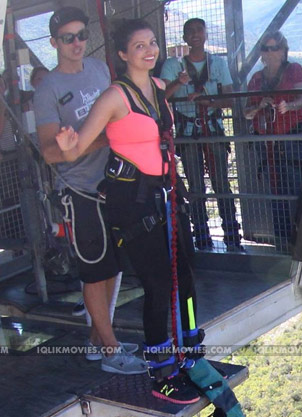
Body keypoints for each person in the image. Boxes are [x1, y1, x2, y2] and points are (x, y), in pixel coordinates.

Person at [54, 20, 244, 414]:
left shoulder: (158, 88)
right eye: (138, 46)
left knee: (184, 277)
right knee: (158, 284)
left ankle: (189, 351)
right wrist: (68, 145)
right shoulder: (114, 97)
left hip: (165, 194)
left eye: (152, 43)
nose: (148, 51)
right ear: (123, 54)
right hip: (133, 202)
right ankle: (161, 372)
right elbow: (79, 148)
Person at [33, 6, 145, 375]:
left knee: (111, 267)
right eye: (68, 38)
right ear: (54, 43)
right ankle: (110, 350)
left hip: (111, 182)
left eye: (82, 35)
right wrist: (92, 141)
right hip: (79, 189)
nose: (77, 43)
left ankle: (100, 340)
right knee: (95, 270)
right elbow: (49, 152)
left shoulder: (99, 70)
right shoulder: (47, 90)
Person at [160, 18, 243, 252]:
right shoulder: (173, 66)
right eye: (190, 32)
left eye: (199, 30)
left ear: (205, 34)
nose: (195, 35)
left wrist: (208, 102)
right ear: (184, 37)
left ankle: (232, 237)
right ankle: (202, 238)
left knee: (221, 184)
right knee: (196, 186)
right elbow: (161, 96)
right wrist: (179, 82)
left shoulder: (218, 64)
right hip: (189, 133)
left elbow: (229, 99)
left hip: (212, 130)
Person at [244, 31, 302, 250]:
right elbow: (247, 113)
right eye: (266, 49)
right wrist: (259, 106)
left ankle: (301, 241)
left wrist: (287, 106)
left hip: (291, 139)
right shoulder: (257, 79)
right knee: (276, 191)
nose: (270, 53)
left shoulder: (294, 70)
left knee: (295, 189)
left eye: (274, 48)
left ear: (283, 51)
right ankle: (283, 241)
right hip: (267, 143)